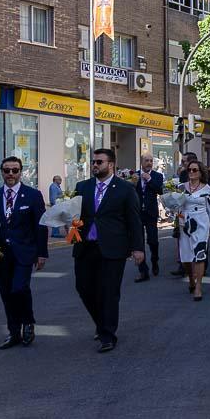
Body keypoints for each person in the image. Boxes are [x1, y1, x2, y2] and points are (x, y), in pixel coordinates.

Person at [72, 148, 144, 353]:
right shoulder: (82, 187)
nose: (95, 165)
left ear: (110, 165)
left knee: (109, 293)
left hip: (113, 249)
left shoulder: (125, 189)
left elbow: (134, 220)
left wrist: (137, 248)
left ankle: (108, 335)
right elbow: (75, 215)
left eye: (99, 162)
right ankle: (101, 322)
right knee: (84, 288)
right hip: (85, 247)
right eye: (93, 162)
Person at [0, 156, 48, 349]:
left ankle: (28, 322)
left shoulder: (33, 195)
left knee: (19, 288)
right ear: (1, 172)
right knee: (6, 294)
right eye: (7, 170)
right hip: (1, 254)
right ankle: (13, 332)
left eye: (15, 170)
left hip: (24, 252)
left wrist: (42, 253)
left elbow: (41, 226)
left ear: (21, 172)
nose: (11, 174)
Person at [176, 159, 210, 302]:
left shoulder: (207, 189)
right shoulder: (181, 187)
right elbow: (176, 205)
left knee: (199, 254)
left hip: (201, 223)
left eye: (194, 170)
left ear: (200, 173)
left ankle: (198, 286)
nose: (191, 172)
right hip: (185, 224)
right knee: (186, 257)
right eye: (189, 170)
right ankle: (191, 280)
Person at [134, 154, 164, 282]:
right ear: (141, 162)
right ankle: (143, 271)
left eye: (151, 161)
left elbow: (160, 190)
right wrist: (132, 182)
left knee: (153, 240)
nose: (149, 163)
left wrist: (149, 179)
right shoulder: (134, 175)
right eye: (146, 161)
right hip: (137, 213)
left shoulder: (157, 176)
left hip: (151, 212)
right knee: (138, 241)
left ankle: (154, 260)